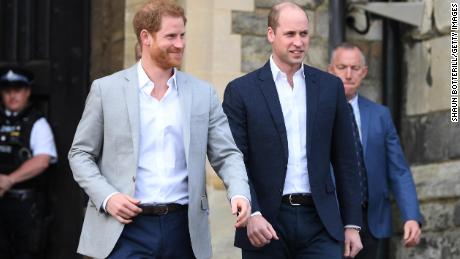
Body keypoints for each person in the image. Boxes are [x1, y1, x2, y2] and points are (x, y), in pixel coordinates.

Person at [68, 0, 251, 258]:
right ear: (146, 37)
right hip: (123, 231)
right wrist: (108, 197)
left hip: (184, 230)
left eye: (183, 35)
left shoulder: (203, 93)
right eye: (171, 36)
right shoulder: (106, 90)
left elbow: (227, 154)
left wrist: (239, 192)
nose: (180, 44)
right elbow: (80, 154)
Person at [223, 2, 363, 259]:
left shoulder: (330, 88)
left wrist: (352, 224)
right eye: (290, 34)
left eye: (304, 34)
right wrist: (252, 213)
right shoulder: (241, 91)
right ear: (270, 34)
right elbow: (234, 160)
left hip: (320, 222)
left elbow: (346, 161)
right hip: (265, 223)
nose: (298, 42)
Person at [328, 42, 423, 259]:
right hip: (331, 221)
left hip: (372, 222)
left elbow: (398, 170)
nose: (348, 74)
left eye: (355, 68)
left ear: (364, 72)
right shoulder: (317, 114)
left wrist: (411, 216)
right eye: (342, 67)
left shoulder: (380, 115)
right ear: (331, 70)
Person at [0, 67, 58, 259]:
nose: (12, 96)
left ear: (27, 92)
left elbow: (42, 160)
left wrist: (9, 180)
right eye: (7, 91)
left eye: (17, 90)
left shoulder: (37, 123)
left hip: (24, 206)